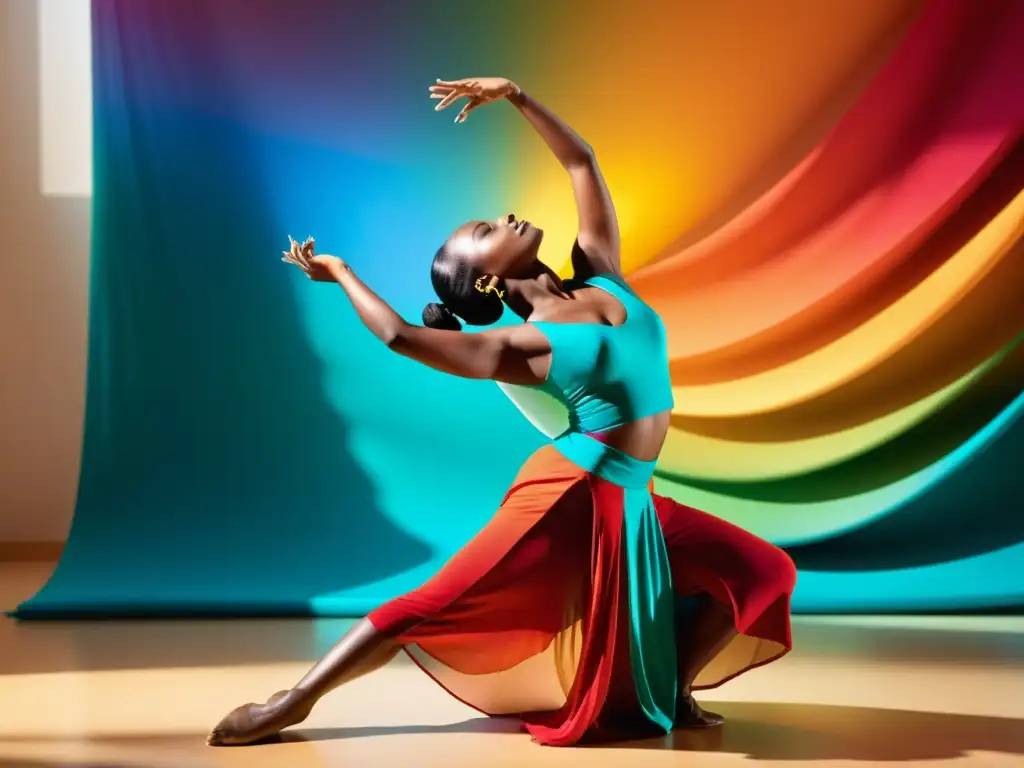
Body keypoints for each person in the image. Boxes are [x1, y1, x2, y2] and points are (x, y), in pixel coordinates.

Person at [208, 77, 797, 748]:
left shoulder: (600, 272)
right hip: (574, 490)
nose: (503, 216)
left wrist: (516, 96)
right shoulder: (523, 344)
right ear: (487, 279)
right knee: (437, 601)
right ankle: (294, 701)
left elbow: (582, 162)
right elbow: (402, 337)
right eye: (485, 231)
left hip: (634, 493)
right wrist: (341, 271)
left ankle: (673, 690)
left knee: (763, 571)